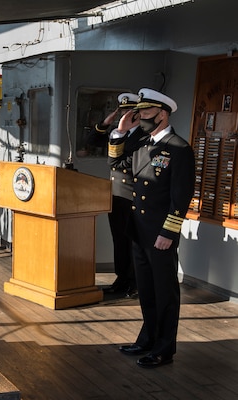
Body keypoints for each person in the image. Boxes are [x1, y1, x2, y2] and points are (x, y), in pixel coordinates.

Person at [108, 88, 195, 368]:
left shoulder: (179, 148)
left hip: (160, 235)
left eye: (146, 112)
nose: (140, 116)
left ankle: (164, 348)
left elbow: (180, 198)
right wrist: (120, 133)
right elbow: (117, 164)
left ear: (162, 113)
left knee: (165, 293)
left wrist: (168, 233)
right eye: (140, 112)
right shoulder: (143, 145)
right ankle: (147, 338)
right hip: (139, 231)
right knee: (146, 291)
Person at [94, 93, 145, 298]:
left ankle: (134, 282)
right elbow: (92, 140)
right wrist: (105, 123)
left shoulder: (142, 136)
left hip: (131, 196)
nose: (124, 115)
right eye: (121, 111)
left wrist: (121, 132)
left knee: (132, 241)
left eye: (128, 111)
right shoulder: (117, 133)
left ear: (137, 114)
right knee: (119, 241)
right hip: (116, 195)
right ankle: (121, 278)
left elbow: (120, 163)